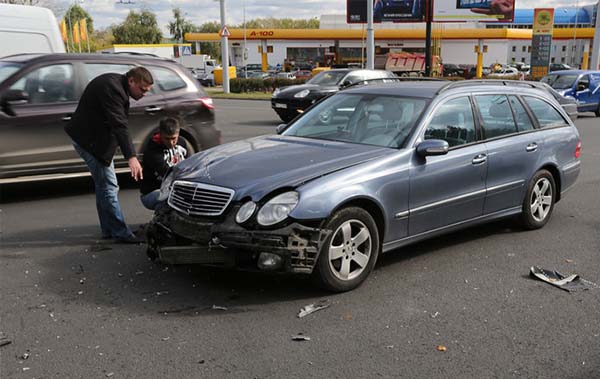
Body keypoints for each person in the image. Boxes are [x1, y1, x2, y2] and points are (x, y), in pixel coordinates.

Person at [65, 66, 153, 243]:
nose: (144, 94)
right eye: (142, 89)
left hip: (93, 140)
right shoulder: (113, 88)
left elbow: (114, 123)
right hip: (89, 142)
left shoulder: (117, 85)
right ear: (131, 81)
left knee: (103, 186)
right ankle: (121, 232)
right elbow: (119, 124)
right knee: (109, 187)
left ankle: (109, 229)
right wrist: (131, 157)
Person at [139, 118, 187, 211]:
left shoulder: (182, 143)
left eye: (174, 138)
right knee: (173, 197)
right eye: (167, 139)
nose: (171, 142)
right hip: (153, 193)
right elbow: (167, 173)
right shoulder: (152, 150)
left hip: (174, 188)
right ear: (160, 134)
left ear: (178, 134)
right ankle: (159, 220)